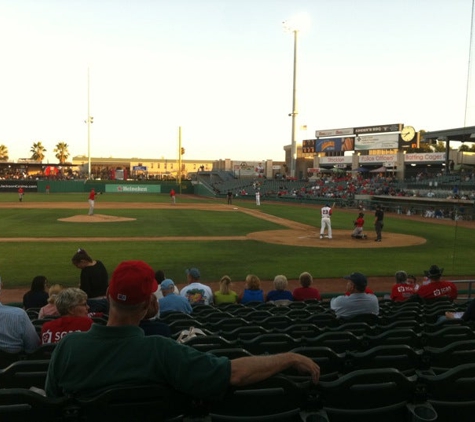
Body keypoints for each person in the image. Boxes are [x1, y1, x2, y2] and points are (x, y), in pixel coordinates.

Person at [45, 260, 320, 398]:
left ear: (107, 295)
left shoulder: (68, 348)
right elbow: (235, 373)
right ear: (149, 305)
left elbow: (51, 402)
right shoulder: (163, 350)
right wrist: (289, 357)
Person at [0, 279, 40, 354]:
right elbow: (33, 347)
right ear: (1, 286)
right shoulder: (19, 315)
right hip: (14, 363)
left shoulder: (19, 315)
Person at [71, 248, 109, 313]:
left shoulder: (85, 271)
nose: (77, 267)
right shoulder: (99, 263)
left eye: (77, 265)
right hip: (106, 300)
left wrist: (80, 286)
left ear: (82, 261)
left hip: (94, 302)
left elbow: (85, 291)